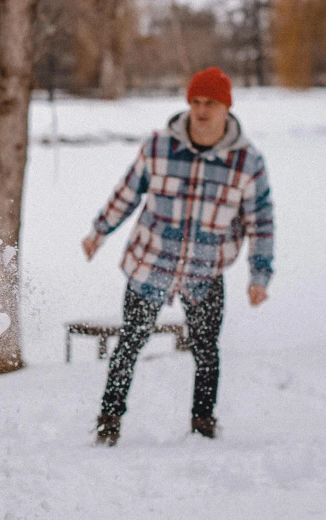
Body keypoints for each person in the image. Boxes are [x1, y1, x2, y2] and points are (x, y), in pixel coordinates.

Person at [81, 67, 274, 445]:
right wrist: (100, 230)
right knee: (131, 342)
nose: (201, 111)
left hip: (205, 269)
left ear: (226, 109)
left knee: (206, 349)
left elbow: (261, 221)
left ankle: (203, 422)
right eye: (196, 102)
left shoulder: (247, 162)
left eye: (211, 104)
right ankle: (109, 420)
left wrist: (259, 276)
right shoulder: (158, 146)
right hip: (152, 263)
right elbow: (127, 192)